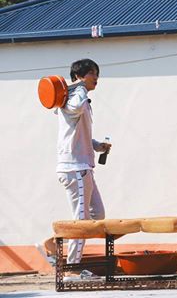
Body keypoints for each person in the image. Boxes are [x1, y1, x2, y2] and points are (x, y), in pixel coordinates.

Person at [56, 58, 111, 279]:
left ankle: (53, 244)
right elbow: (75, 108)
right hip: (75, 168)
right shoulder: (70, 99)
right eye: (91, 73)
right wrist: (79, 86)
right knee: (81, 221)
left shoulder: (81, 100)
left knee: (98, 214)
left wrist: (98, 146)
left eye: (97, 73)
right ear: (79, 76)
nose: (96, 77)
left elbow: (80, 134)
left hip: (84, 166)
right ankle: (72, 269)